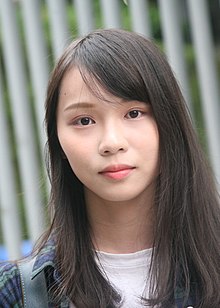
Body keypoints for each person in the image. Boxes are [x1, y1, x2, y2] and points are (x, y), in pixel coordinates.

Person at [0, 28, 220, 308]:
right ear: (58, 141)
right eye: (84, 121)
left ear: (169, 124)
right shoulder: (17, 292)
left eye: (133, 113)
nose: (111, 143)